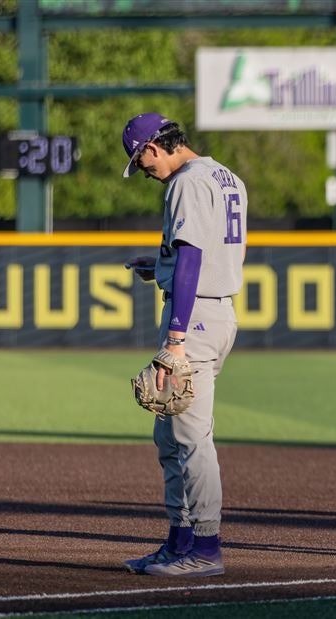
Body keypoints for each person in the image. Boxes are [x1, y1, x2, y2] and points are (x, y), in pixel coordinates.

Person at [120, 112, 247, 577]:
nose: (145, 171)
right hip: (213, 311)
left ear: (154, 147)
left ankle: (205, 549)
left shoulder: (186, 182)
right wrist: (162, 266)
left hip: (192, 322)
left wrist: (175, 337)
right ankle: (178, 542)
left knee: (192, 439)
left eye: (142, 161)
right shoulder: (225, 175)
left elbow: (194, 253)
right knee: (169, 433)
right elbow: (200, 251)